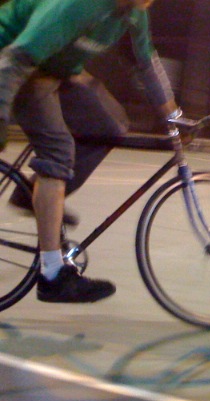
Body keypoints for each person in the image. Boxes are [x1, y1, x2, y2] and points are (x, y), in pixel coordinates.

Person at [0, 0, 180, 303]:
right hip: (16, 62)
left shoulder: (133, 13)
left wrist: (175, 117)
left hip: (54, 68)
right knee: (58, 151)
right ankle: (53, 275)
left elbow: (146, 63)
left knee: (108, 127)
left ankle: (34, 196)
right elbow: (17, 57)